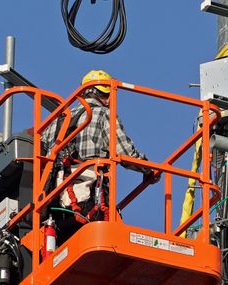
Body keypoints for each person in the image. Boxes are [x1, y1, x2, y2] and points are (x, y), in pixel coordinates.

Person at [41, 69, 159, 226]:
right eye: (108, 95)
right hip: (88, 202)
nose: (110, 100)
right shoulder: (102, 114)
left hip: (53, 204)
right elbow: (124, 152)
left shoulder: (56, 122)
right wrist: (149, 169)